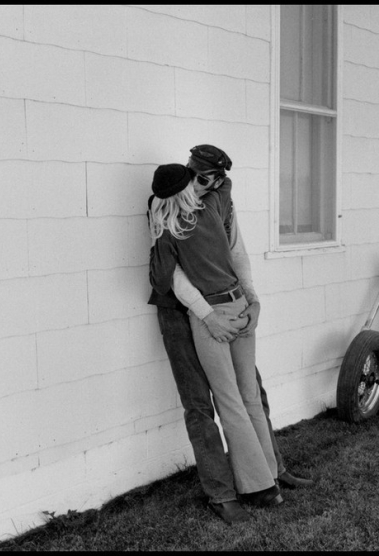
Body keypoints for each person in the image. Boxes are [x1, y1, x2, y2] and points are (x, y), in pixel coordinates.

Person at [147, 145, 314, 525]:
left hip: (229, 302)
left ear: (219, 179)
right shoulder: (163, 205)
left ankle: (272, 471)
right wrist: (208, 316)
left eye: (206, 178)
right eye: (194, 174)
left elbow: (236, 251)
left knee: (251, 391)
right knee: (202, 405)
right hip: (182, 311)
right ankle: (224, 493)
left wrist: (252, 299)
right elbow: (173, 277)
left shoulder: (219, 201)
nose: (199, 182)